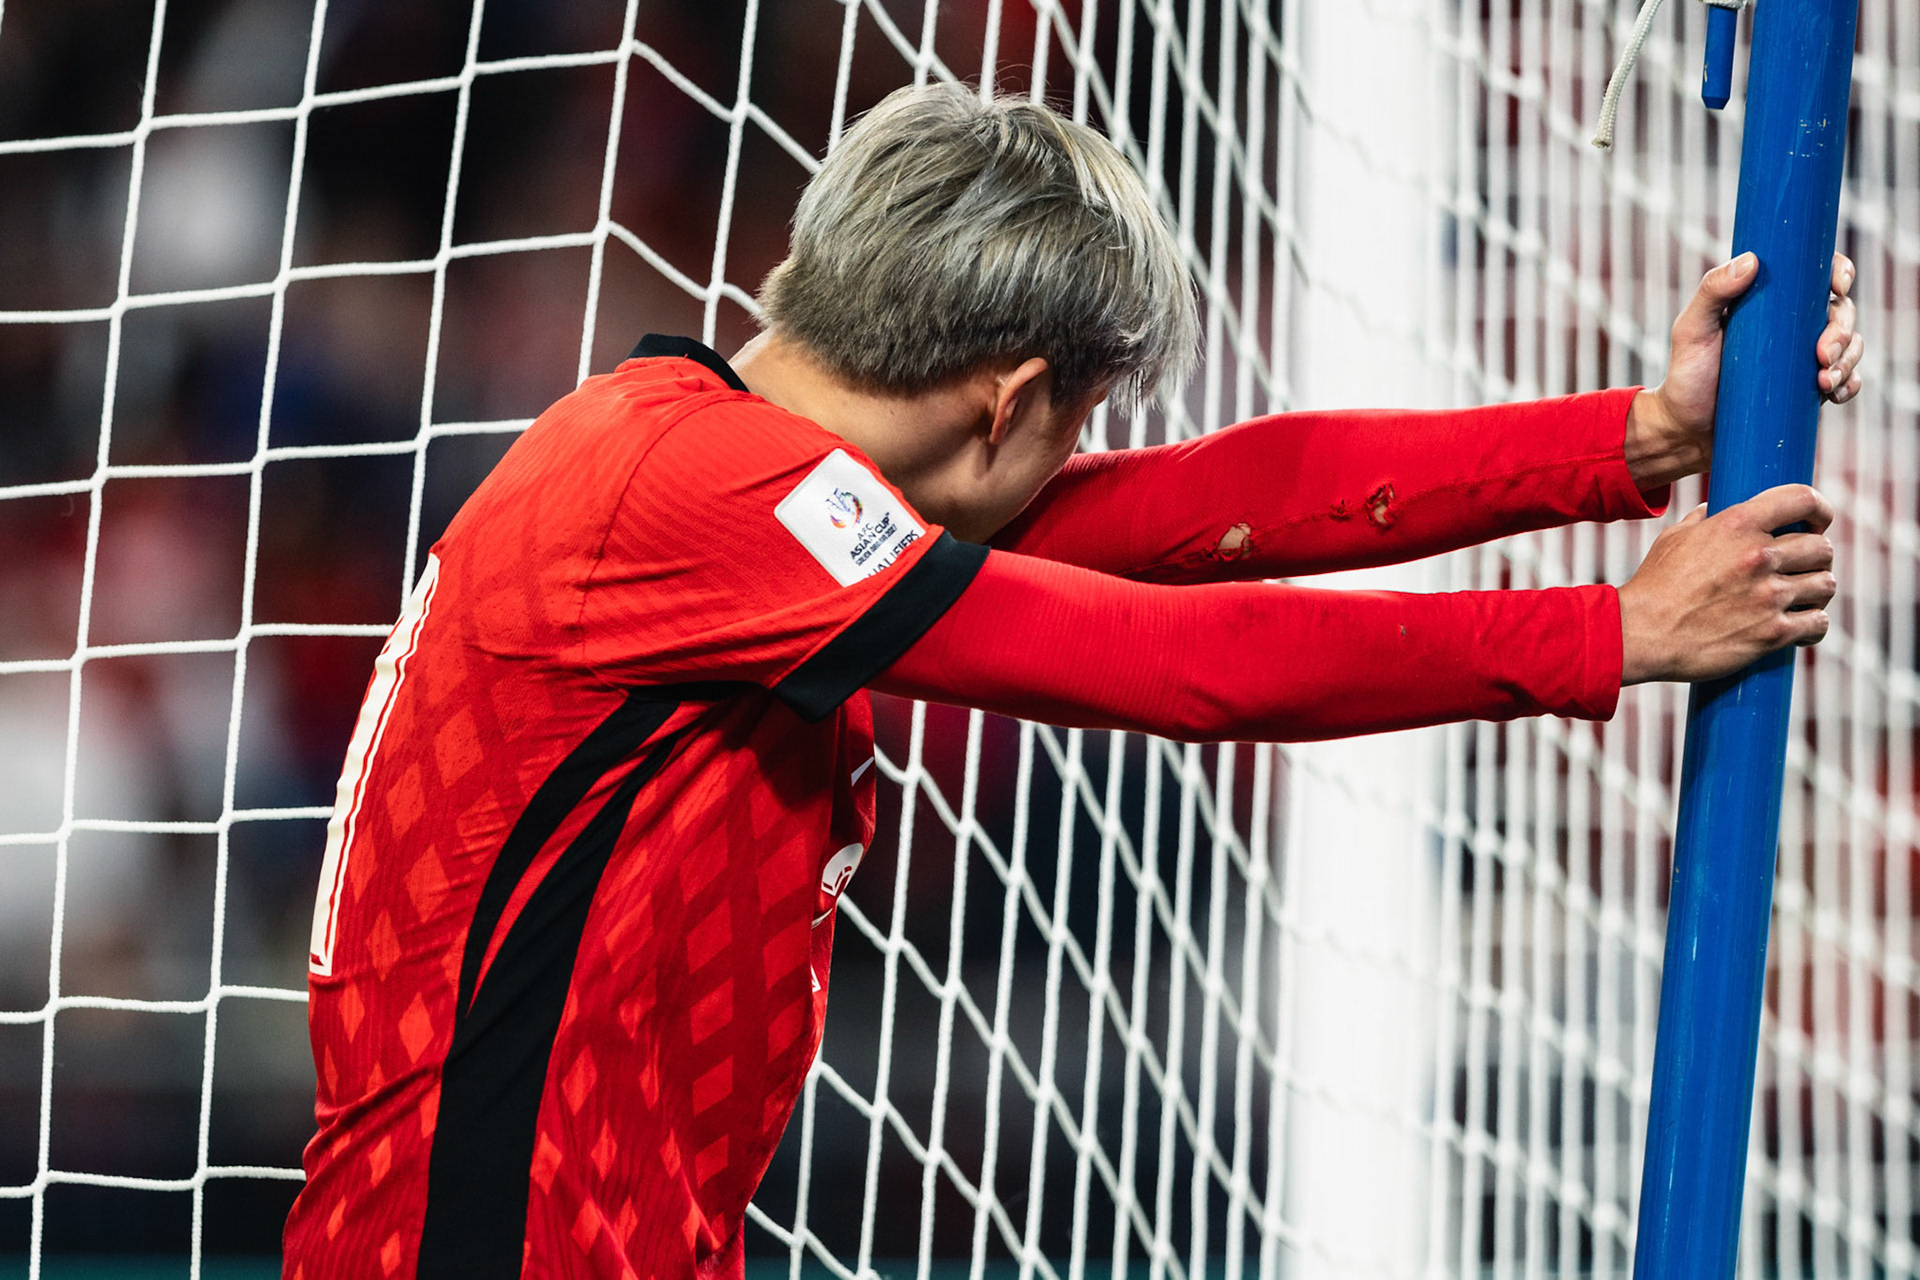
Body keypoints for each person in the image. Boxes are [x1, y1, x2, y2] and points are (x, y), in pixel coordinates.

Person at [281, 83, 1864, 1279]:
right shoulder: (694, 493)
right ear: (1010, 397)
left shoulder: (718, 469)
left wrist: (1632, 440)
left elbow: (1204, 502)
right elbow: (1176, 663)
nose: (1082, 454)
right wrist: (1611, 634)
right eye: (1080, 415)